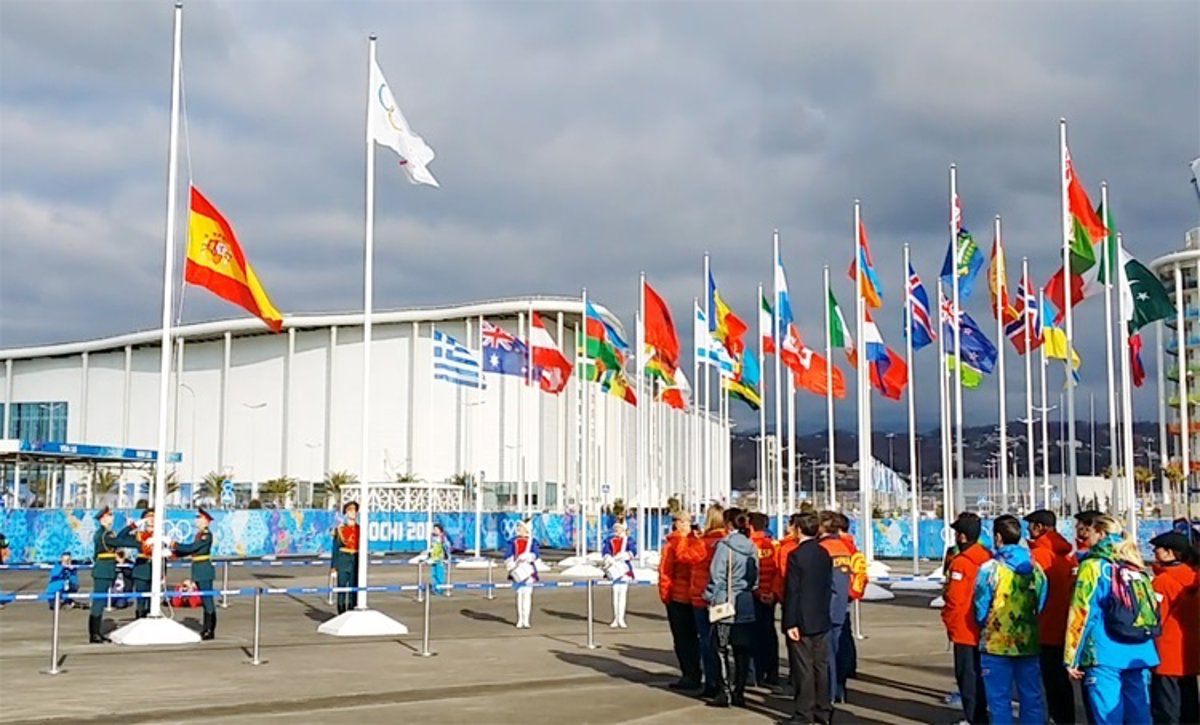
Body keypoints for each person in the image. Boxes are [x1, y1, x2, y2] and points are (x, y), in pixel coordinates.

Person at [1064, 514, 1160, 725]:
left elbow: (1081, 613)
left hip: (1104, 650)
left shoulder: (1093, 566)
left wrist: (1071, 657)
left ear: (1100, 533)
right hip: (1140, 648)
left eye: (1090, 531)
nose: (1086, 536)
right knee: (1139, 713)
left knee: (1108, 715)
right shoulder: (1134, 563)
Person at [974, 514, 1047, 725]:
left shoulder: (990, 569)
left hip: (996, 643)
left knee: (999, 701)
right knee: (1032, 698)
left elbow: (980, 605)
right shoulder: (1036, 569)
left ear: (998, 537)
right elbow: (1041, 601)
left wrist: (985, 624)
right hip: (1028, 641)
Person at [1023, 509, 1078, 724]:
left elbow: (1029, 592)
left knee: (1048, 682)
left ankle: (1056, 718)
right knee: (1060, 682)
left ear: (1039, 527)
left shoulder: (1039, 556)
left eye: (1031, 525)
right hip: (1064, 624)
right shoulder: (1067, 556)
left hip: (1044, 625)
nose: (1028, 530)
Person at [781, 512, 834, 725]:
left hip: (801, 618)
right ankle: (823, 710)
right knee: (820, 666)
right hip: (821, 616)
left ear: (799, 529)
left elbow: (793, 591)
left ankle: (804, 713)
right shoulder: (824, 553)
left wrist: (790, 622)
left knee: (803, 668)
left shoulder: (796, 555)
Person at [703, 510, 758, 708]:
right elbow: (755, 576)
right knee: (742, 649)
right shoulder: (752, 546)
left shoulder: (724, 546)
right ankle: (739, 692)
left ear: (728, 524)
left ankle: (724, 691)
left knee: (721, 647)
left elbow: (717, 576)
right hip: (745, 601)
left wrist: (709, 596)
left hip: (725, 602)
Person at [942, 512, 993, 725]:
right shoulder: (988, 557)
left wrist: (948, 621)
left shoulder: (961, 563)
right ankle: (980, 716)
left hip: (964, 626)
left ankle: (974, 718)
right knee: (980, 675)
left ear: (962, 536)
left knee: (967, 676)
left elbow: (954, 599)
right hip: (984, 627)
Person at [1148, 530, 1199, 725]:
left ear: (1170, 553)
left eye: (1157, 549)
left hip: (1166, 652)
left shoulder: (1162, 582)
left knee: (1166, 707)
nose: (1154, 552)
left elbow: (1155, 618)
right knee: (1189, 704)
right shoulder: (1194, 577)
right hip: (1189, 652)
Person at [682, 504, 728, 698]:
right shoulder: (727, 541)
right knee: (723, 642)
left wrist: (688, 538)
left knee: (707, 642)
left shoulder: (703, 543)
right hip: (723, 597)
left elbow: (686, 557)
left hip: (702, 596)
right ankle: (727, 681)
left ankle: (712, 682)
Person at [659, 511, 702, 691]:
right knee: (697, 638)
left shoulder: (673, 544)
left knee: (683, 639)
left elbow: (665, 572)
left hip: (679, 597)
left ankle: (690, 675)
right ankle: (699, 672)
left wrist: (665, 595)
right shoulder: (699, 542)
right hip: (697, 596)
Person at [818, 511, 853, 704]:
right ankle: (838, 688)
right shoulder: (844, 548)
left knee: (827, 654)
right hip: (841, 606)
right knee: (839, 649)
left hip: (826, 608)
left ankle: (828, 693)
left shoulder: (824, 549)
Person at [172, 508, 217, 639]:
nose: (197, 521)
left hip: (204, 570)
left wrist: (174, 544)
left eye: (199, 518)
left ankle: (210, 629)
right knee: (204, 599)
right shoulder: (199, 535)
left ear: (206, 521)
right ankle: (206, 628)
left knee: (207, 600)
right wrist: (174, 554)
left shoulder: (206, 535)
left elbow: (192, 548)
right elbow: (191, 550)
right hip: (199, 570)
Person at [836, 512, 867, 695]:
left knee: (840, 637)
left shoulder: (841, 547)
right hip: (847, 596)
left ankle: (841, 675)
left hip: (839, 596)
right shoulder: (852, 547)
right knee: (846, 634)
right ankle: (849, 667)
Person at [748, 512, 780, 687]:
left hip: (754, 595)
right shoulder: (774, 546)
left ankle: (756, 673)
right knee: (769, 634)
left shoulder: (748, 545)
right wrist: (773, 593)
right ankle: (772, 672)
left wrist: (757, 592)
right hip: (769, 596)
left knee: (753, 635)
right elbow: (778, 571)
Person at [112, 509, 157, 619]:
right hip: (141, 569)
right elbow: (121, 537)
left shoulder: (160, 535)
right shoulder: (139, 536)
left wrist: (163, 573)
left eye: (154, 516)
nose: (152, 519)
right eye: (149, 516)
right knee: (141, 599)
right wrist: (134, 525)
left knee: (153, 600)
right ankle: (140, 619)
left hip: (156, 569)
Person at [88, 507, 122, 642]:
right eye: (110, 515)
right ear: (103, 518)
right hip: (102, 571)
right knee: (98, 602)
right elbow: (117, 542)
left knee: (101, 602)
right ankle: (94, 634)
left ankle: (97, 632)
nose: (112, 517)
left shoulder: (108, 532)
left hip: (108, 570)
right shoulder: (102, 534)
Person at [505, 519, 541, 629]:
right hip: (517, 570)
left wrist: (529, 556)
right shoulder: (513, 541)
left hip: (528, 571)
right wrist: (511, 563)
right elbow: (508, 554)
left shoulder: (532, 541)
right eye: (518, 527)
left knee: (528, 594)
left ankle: (526, 620)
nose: (518, 529)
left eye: (521, 527)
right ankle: (520, 619)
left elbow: (536, 554)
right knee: (520, 594)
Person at [602, 520, 636, 628]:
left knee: (622, 594)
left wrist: (625, 555)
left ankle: (621, 618)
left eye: (619, 528)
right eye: (616, 528)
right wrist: (608, 558)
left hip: (624, 570)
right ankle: (615, 618)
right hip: (614, 569)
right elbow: (606, 551)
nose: (617, 530)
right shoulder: (610, 539)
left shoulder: (628, 540)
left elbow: (633, 551)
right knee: (615, 594)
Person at [330, 501, 360, 614]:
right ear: (346, 513)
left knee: (354, 587)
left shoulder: (360, 529)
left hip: (355, 560)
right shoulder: (340, 529)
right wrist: (334, 566)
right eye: (350, 510)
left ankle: (352, 610)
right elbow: (335, 548)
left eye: (355, 510)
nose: (353, 512)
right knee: (342, 587)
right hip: (343, 559)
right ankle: (341, 611)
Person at [426, 523, 451, 597]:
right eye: (434, 529)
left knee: (440, 574)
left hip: (440, 559)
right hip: (434, 558)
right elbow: (432, 548)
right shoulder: (433, 538)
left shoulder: (443, 538)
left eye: (436, 529)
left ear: (440, 530)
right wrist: (429, 555)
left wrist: (446, 557)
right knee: (434, 574)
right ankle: (435, 588)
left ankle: (439, 590)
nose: (434, 531)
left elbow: (446, 547)